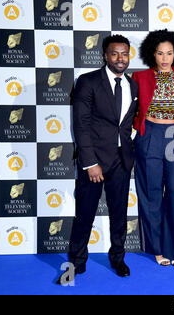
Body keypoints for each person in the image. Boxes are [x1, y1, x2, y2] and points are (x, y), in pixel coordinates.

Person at [57, 35, 138, 284]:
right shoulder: (88, 81)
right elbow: (80, 125)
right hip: (94, 161)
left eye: (124, 53)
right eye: (115, 53)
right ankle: (76, 263)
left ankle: (118, 258)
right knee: (84, 214)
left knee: (119, 214)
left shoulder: (132, 85)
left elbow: (125, 124)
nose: (120, 58)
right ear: (105, 55)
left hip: (121, 160)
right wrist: (90, 162)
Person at [133, 29, 174, 267]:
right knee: (152, 193)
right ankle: (157, 249)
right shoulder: (141, 77)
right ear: (152, 54)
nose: (165, 58)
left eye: (169, 53)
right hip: (150, 135)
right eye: (160, 53)